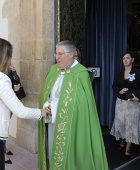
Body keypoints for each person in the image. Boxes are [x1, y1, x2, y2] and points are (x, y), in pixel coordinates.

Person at [38, 40, 108, 170]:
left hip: (71, 126)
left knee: (68, 155)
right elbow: (46, 92)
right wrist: (46, 103)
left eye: (60, 54)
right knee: (52, 150)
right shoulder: (54, 70)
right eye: (55, 53)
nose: (57, 57)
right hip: (52, 122)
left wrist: (54, 107)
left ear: (71, 54)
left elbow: (81, 105)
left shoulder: (81, 74)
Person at [0, 38, 48, 170]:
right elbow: (20, 111)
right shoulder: (2, 80)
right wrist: (41, 112)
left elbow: (16, 81)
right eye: (10, 56)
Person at [110, 51, 140, 156]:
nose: (125, 60)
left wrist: (137, 96)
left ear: (132, 59)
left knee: (130, 125)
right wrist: (119, 91)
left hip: (133, 104)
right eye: (124, 58)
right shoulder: (119, 72)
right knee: (121, 123)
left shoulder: (138, 72)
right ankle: (122, 141)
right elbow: (114, 86)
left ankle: (128, 148)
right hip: (121, 103)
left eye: (127, 58)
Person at [4, 64, 20, 164]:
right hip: (2, 103)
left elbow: (17, 81)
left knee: (5, 127)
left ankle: (4, 149)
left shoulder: (8, 68)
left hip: (9, 102)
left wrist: (13, 71)